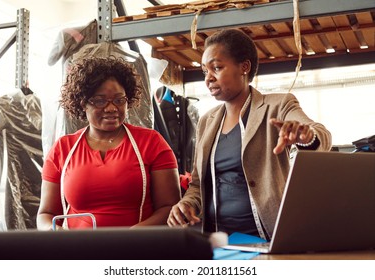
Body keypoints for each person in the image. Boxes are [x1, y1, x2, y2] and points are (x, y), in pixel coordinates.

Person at [167, 29, 332, 240]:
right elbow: (198, 185)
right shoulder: (206, 121)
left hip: (266, 238)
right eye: (204, 71)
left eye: (216, 68)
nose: (208, 79)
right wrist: (186, 204)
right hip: (218, 242)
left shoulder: (277, 105)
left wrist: (306, 137)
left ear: (244, 67)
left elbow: (321, 134)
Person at [37, 57, 181, 230]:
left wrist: (132, 236)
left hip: (136, 251)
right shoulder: (63, 148)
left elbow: (170, 208)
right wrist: (54, 231)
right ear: (83, 103)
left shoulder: (151, 142)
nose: (112, 108)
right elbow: (46, 214)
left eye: (119, 100)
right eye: (100, 101)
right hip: (78, 252)